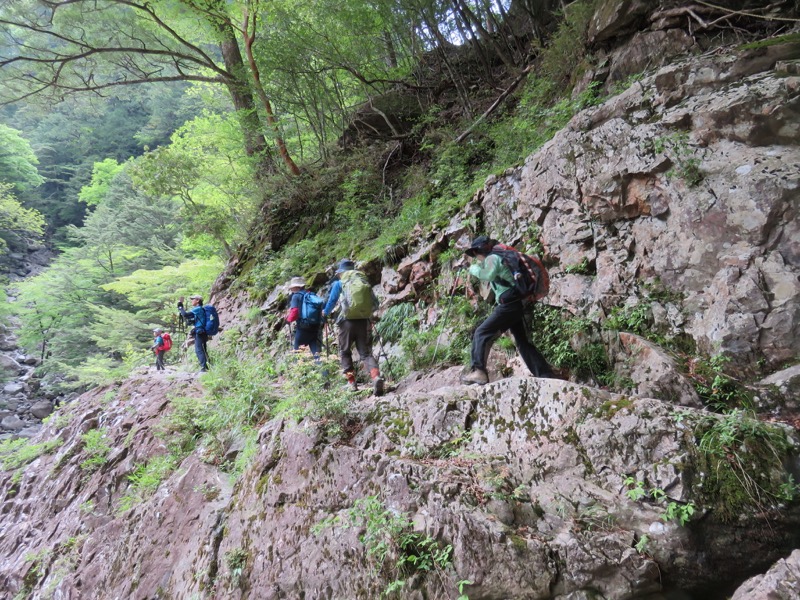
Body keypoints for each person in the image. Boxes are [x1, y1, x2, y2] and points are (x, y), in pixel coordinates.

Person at [461, 236, 553, 385]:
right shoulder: (500, 256)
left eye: (475, 253)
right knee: (522, 342)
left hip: (509, 305)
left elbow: (487, 274)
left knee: (481, 332)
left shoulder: (492, 258)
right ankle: (545, 374)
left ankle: (479, 371)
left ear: (480, 250)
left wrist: (473, 269)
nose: (476, 258)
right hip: (516, 304)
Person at [322, 259, 384, 395]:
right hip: (363, 321)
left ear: (341, 272)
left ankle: (351, 383)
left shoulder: (340, 283)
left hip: (346, 322)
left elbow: (332, 301)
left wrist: (324, 313)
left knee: (345, 351)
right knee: (366, 353)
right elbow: (375, 302)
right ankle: (376, 376)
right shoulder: (362, 281)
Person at [286, 276, 322, 360]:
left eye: (292, 287)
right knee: (315, 350)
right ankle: (323, 370)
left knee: (297, 351)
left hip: (303, 327)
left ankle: (296, 371)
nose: (291, 289)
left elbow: (294, 311)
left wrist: (288, 320)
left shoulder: (296, 296)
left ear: (297, 287)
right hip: (314, 326)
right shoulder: (310, 294)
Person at [178, 294, 209, 372]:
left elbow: (185, 314)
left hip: (200, 331)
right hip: (203, 331)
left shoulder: (198, 309)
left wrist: (180, 307)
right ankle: (207, 366)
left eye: (193, 299)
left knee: (199, 350)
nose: (192, 300)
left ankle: (204, 368)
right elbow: (189, 317)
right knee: (203, 349)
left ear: (198, 300)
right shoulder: (200, 309)